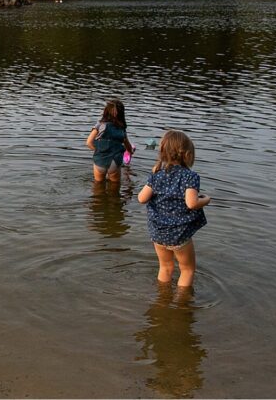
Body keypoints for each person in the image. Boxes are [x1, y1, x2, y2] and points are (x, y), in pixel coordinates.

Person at [136, 130, 210, 288]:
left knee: (165, 267)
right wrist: (205, 200)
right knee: (187, 269)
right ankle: (182, 305)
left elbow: (141, 198)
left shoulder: (156, 174)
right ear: (188, 154)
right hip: (179, 234)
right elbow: (191, 203)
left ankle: (163, 298)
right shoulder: (189, 177)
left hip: (158, 232)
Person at [85, 99, 135, 184]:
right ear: (121, 114)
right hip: (115, 162)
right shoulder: (122, 128)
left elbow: (89, 143)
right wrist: (130, 152)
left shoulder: (100, 125)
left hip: (100, 160)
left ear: (106, 111)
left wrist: (98, 151)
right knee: (114, 187)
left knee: (98, 186)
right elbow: (128, 147)